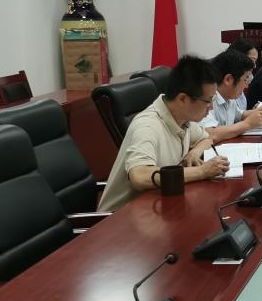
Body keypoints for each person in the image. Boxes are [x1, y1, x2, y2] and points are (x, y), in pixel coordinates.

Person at [98, 55, 230, 212]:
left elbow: (206, 138)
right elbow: (139, 176)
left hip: (157, 206)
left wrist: (194, 152)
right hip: (120, 218)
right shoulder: (147, 127)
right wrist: (201, 171)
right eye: (208, 101)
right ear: (183, 99)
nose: (211, 107)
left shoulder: (182, 118)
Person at [201, 50, 262, 143]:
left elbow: (240, 115)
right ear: (228, 80)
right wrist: (247, 124)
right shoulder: (206, 99)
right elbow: (210, 134)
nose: (246, 86)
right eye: (245, 79)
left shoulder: (229, 97)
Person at [227, 37, 260, 110]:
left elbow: (239, 113)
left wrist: (255, 111)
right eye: (252, 60)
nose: (254, 66)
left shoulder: (246, 77)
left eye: (255, 61)